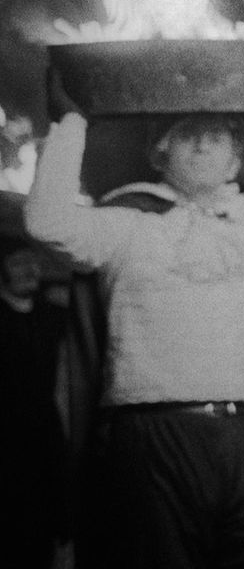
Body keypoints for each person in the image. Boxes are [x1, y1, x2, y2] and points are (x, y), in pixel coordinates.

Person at [23, 77, 244, 569]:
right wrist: (70, 125)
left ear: (236, 161)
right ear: (158, 153)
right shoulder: (125, 224)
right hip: (153, 431)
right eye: (188, 133)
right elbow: (48, 223)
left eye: (217, 137)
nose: (202, 144)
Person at [1, 230, 70, 569]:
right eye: (18, 262)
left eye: (33, 262)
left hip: (45, 445)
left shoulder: (55, 319)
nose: (30, 270)